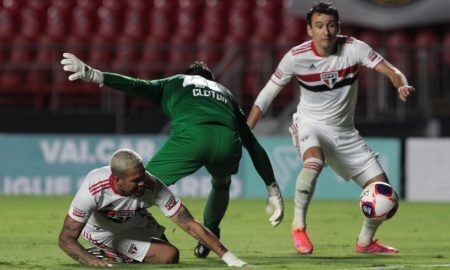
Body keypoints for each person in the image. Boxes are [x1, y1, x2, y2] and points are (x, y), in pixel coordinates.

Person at [61, 54, 284, 258]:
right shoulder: (225, 93)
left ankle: (106, 237)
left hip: (192, 138)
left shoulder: (177, 81)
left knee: (140, 186)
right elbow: (253, 144)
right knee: (221, 183)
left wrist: (98, 75)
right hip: (227, 141)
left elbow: (138, 86)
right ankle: (210, 234)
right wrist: (271, 185)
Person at [247, 1, 415, 255]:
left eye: (331, 25)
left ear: (338, 27)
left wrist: (400, 84)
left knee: (386, 197)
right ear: (309, 30)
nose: (325, 31)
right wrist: (247, 129)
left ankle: (365, 242)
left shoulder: (354, 48)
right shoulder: (295, 57)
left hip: (346, 134)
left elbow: (391, 70)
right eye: (319, 25)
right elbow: (267, 95)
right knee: (313, 161)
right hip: (310, 124)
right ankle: (298, 226)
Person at [58, 148, 249, 267]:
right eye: (136, 180)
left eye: (143, 175)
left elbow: (189, 223)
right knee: (169, 256)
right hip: (103, 232)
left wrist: (229, 258)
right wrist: (89, 261)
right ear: (117, 180)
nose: (143, 183)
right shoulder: (94, 188)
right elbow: (66, 239)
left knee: (164, 244)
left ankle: (128, 246)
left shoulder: (151, 184)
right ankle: (104, 251)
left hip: (135, 218)